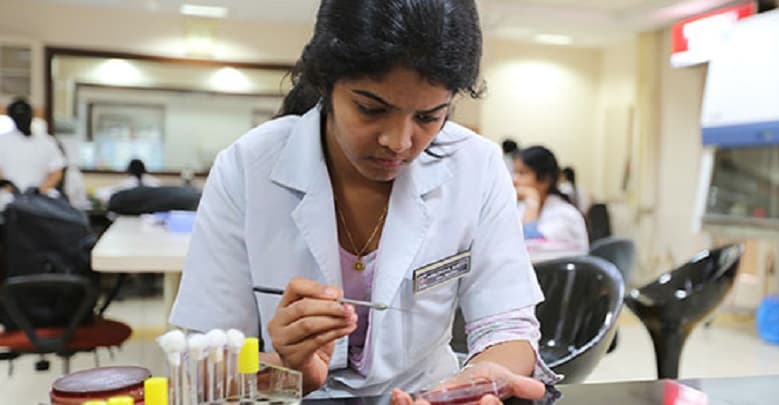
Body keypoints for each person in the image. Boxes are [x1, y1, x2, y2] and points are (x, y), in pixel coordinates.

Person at [169, 0, 554, 402]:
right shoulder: (247, 168)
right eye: (371, 109)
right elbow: (206, 365)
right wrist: (291, 371)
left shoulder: (476, 165)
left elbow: (507, 328)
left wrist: (477, 383)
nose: (398, 142)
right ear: (326, 82)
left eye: (428, 117)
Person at [513, 147, 589, 251]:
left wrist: (532, 199)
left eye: (522, 173)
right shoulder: (522, 208)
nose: (514, 179)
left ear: (545, 180)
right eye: (515, 172)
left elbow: (531, 245)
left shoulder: (565, 214)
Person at [0, 99, 65, 195]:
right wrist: (9, 189)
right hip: (6, 198)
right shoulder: (2, 141)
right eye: (18, 116)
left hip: (39, 198)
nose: (22, 119)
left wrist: (40, 190)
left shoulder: (47, 141)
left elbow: (56, 171)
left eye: (25, 115)